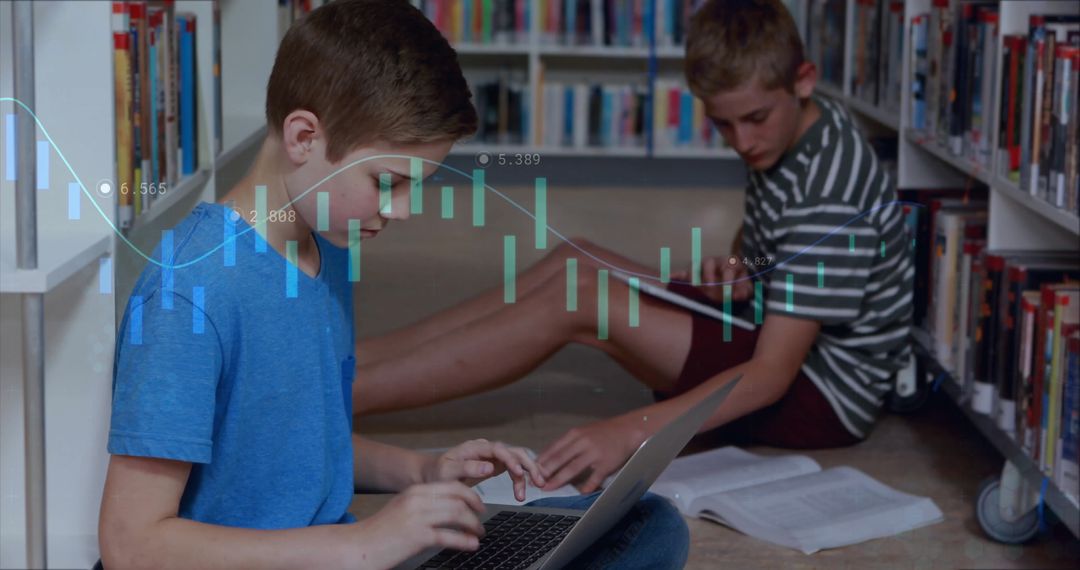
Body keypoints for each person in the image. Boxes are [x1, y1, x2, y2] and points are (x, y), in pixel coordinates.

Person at [96, 1, 688, 568]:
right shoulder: (189, 292)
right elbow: (132, 546)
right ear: (304, 138)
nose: (401, 210)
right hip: (304, 559)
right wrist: (359, 549)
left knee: (647, 522)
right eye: (387, 182)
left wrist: (423, 473)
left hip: (333, 554)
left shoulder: (320, 247)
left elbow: (297, 449)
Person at [353, 0, 914, 496]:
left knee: (579, 301)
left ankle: (335, 400)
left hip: (822, 394)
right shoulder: (803, 127)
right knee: (576, 258)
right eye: (723, 125)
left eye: (755, 120)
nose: (742, 142)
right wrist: (748, 263)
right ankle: (352, 364)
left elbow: (771, 376)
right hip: (771, 320)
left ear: (804, 79)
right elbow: (780, 244)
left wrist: (632, 432)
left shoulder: (828, 194)